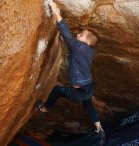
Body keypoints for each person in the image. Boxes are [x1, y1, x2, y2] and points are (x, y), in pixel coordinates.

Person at [35, 0, 105, 136]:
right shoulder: (89, 50)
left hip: (81, 90)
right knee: (87, 104)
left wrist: (55, 10)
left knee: (57, 90)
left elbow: (66, 33)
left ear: (87, 41)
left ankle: (45, 109)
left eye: (81, 35)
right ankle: (98, 126)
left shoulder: (78, 47)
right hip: (89, 87)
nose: (77, 35)